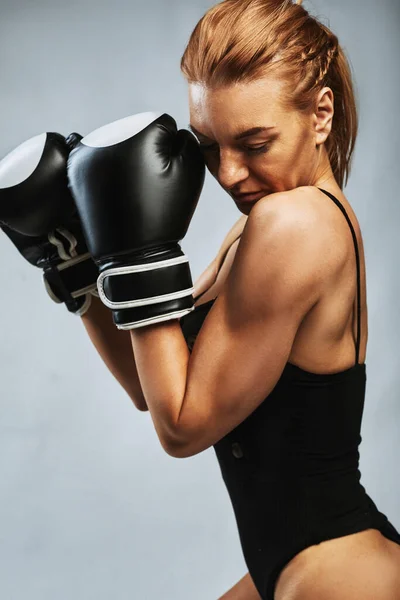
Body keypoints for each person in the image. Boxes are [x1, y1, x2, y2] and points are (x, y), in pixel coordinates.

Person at [1, 4, 399, 600]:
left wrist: (138, 254)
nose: (230, 174)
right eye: (210, 148)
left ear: (320, 114)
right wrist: (79, 268)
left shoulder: (297, 223)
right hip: (297, 561)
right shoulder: (260, 226)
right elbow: (155, 386)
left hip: (334, 573)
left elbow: (183, 427)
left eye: (255, 143)